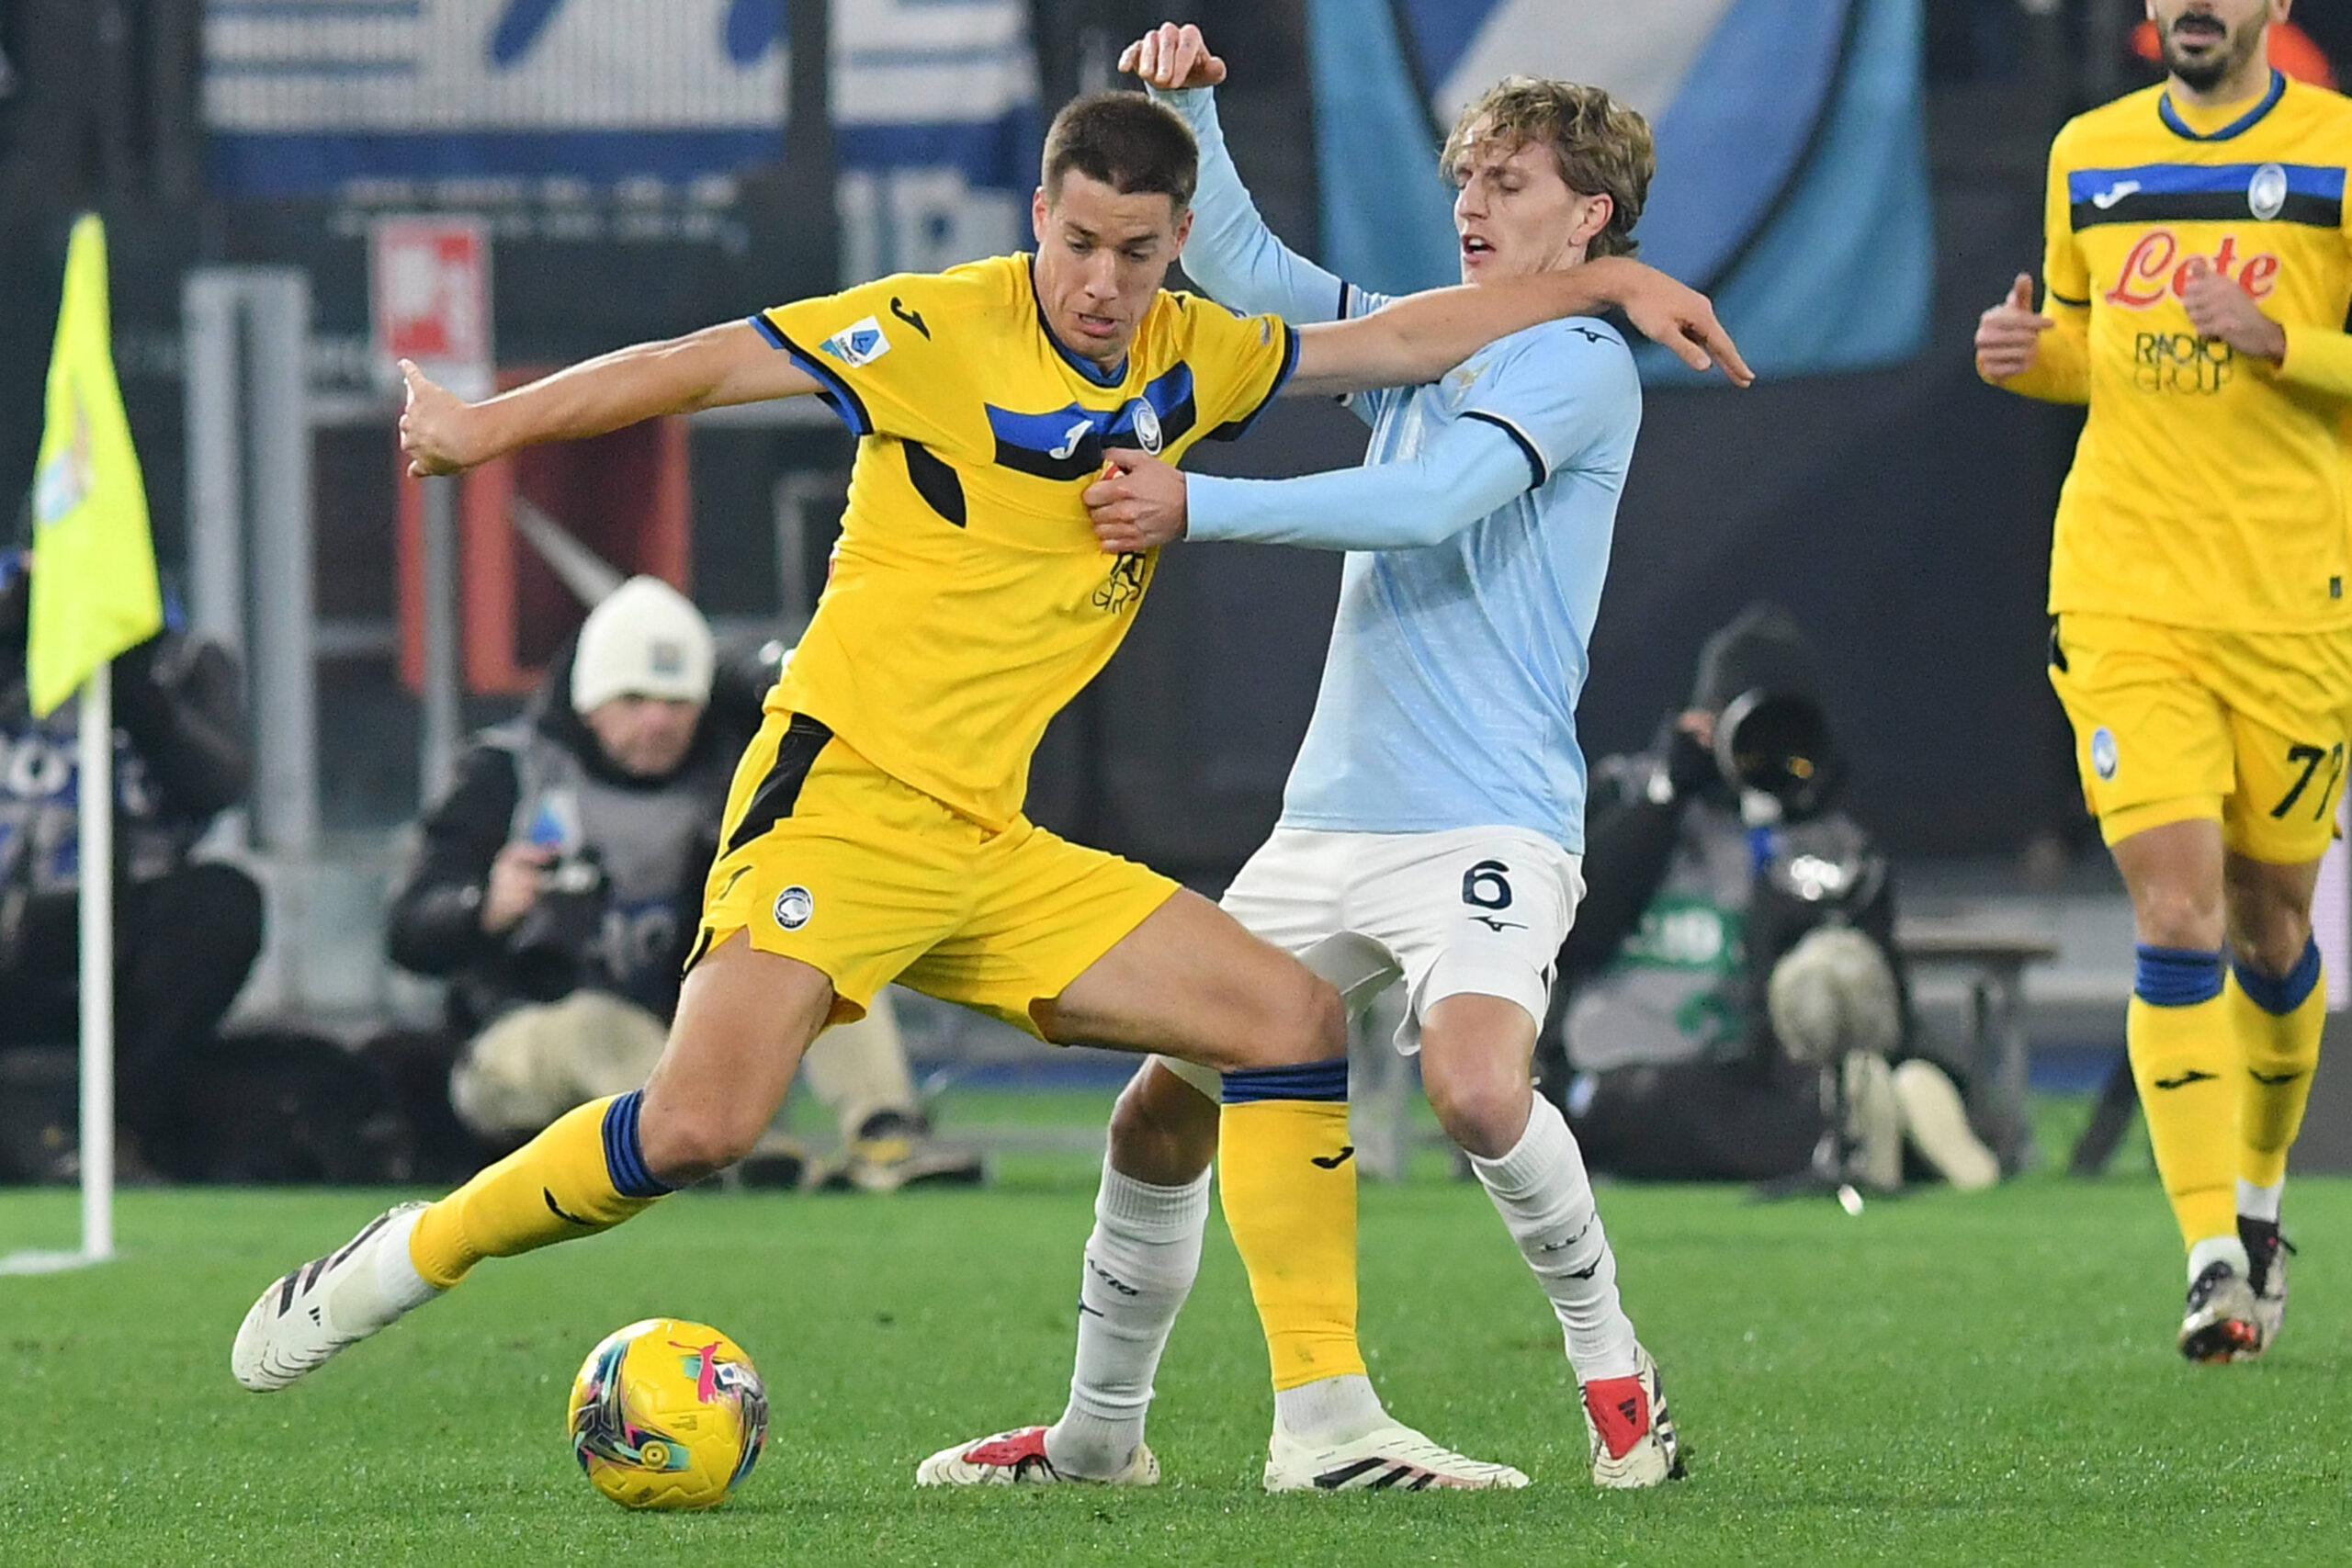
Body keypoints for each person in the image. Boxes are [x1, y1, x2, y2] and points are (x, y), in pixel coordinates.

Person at [230, 85, 1744, 1398]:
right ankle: (399, 1260)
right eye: (1076, 243)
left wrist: (1613, 289)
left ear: (1172, 247)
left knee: (1286, 1022)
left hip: (989, 840)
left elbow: (1411, 334)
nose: (1100, 280)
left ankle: (1331, 1423)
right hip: (846, 804)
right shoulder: (933, 326)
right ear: (1041, 214)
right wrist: (489, 426)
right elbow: (693, 364)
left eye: (1136, 253)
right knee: (699, 1125)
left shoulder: (1199, 355)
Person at [919, 24, 1749, 1495]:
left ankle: (1618, 1380)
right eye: (1467, 177)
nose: (1473, 201)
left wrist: (1199, 508)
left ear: (1591, 218)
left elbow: (1428, 508)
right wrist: (1189, 112)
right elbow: (1249, 275)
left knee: (1480, 1089)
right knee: (1163, 1106)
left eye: (1508, 178)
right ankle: (1100, 1432)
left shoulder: (1575, 363)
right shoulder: (1436, 332)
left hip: (1486, 817)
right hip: (1330, 820)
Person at [1974, 0, 2352, 1362]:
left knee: (2270, 924)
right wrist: (2031, 361)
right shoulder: (2092, 152)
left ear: (2274, 9)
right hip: (2126, 588)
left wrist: (2279, 342)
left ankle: (2259, 1201)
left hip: (2293, 602)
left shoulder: (2340, 153)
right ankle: (2208, 1255)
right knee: (2177, 909)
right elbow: (2089, 347)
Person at [385, 575, 979, 1191]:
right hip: (515, 1049)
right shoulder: (507, 774)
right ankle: (708, 1143)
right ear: (591, 704)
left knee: (819, 955)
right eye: (634, 701)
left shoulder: (735, 775)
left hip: (689, 1041)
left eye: (676, 703)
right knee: (596, 1024)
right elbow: (406, 930)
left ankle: (884, 1132)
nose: (657, 722)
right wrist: (482, 910)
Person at [1542, 605, 2000, 1193]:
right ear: (1703, 722)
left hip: (1766, 1077)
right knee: (1646, 1109)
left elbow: (1883, 1003)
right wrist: (1666, 800)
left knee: (1834, 1071)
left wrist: (1792, 841)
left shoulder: (1830, 842)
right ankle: (1868, 1135)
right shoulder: (1626, 798)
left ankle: (1875, 1117)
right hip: (1631, 1071)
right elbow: (1573, 936)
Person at [0, 550, 260, 1178]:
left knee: (221, 901)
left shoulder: (182, 661)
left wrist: (134, 683)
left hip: (125, 929)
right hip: (10, 927)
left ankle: (117, 1129)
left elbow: (219, 782)